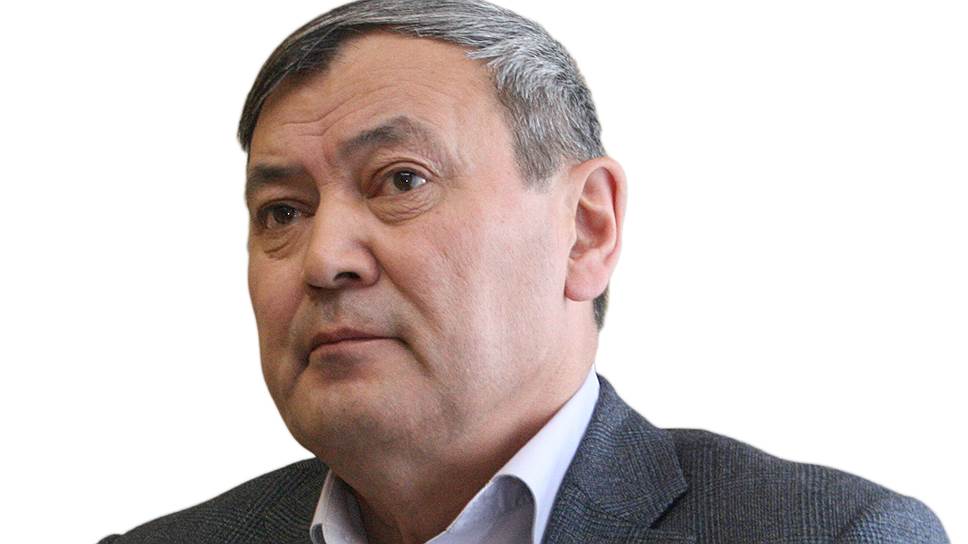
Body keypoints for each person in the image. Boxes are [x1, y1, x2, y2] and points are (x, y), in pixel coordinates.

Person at [99, 1, 949, 542]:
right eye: (283, 212)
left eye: (402, 181)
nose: (324, 259)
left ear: (584, 231)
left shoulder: (833, 534)